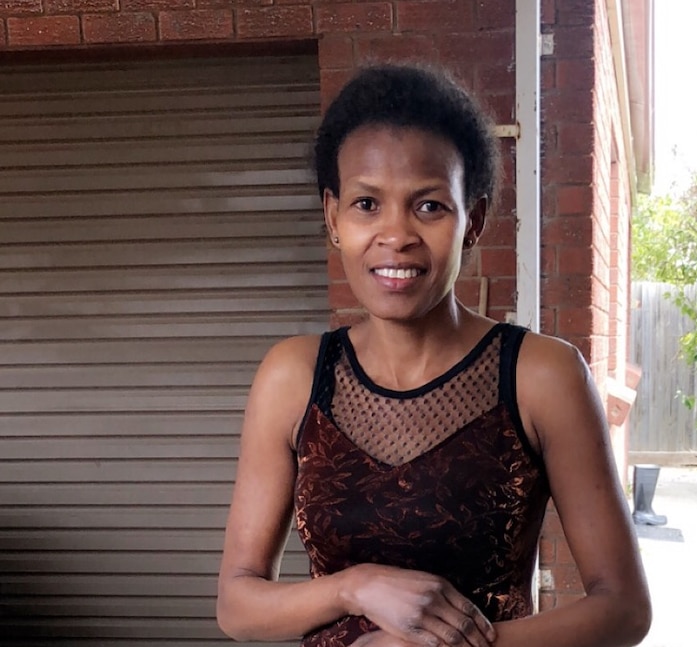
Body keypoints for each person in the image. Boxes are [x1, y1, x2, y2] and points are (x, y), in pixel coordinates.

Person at [216, 62, 652, 647]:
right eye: (367, 204)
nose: (395, 234)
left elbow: (623, 609)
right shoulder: (294, 377)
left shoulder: (538, 376)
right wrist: (355, 586)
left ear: (472, 221)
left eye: (428, 206)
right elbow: (238, 605)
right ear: (333, 217)